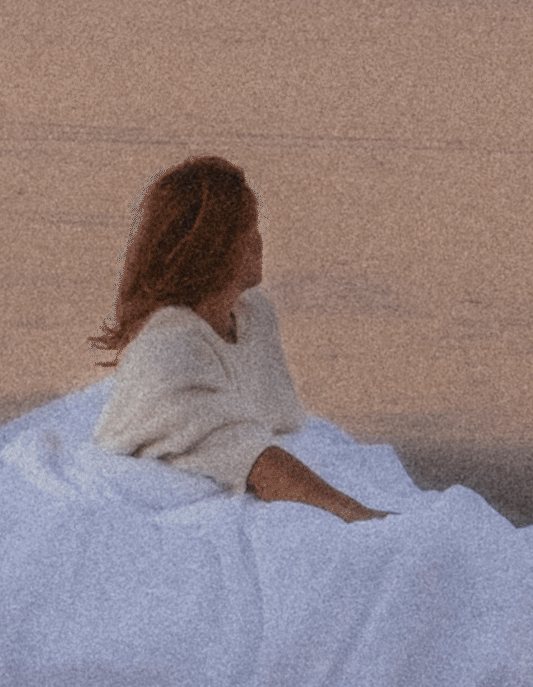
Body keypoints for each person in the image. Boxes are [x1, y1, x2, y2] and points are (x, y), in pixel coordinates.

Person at [91, 152, 373, 523]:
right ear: (213, 246)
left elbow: (272, 426)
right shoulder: (168, 350)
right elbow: (254, 460)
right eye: (245, 230)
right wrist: (361, 517)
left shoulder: (254, 316)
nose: (258, 242)